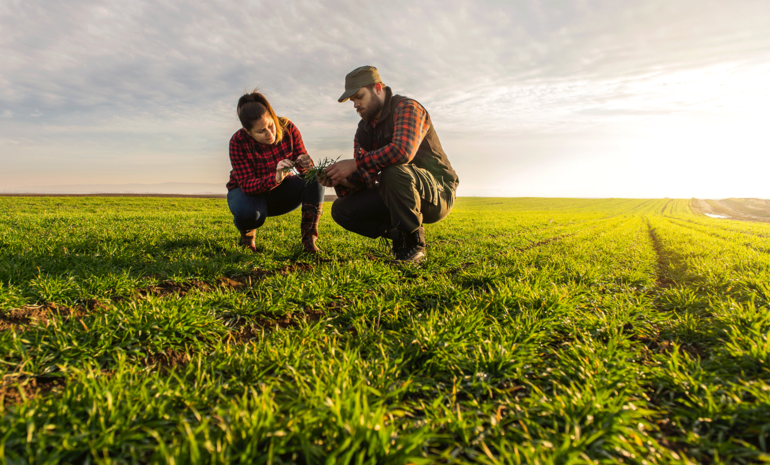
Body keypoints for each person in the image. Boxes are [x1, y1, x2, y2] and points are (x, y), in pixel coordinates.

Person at [320, 66, 459, 263]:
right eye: (353, 101)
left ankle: (412, 247)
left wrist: (355, 164)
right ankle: (399, 234)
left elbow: (402, 151)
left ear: (377, 88)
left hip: (437, 193)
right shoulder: (363, 129)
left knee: (393, 170)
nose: (355, 105)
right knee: (341, 209)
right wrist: (341, 180)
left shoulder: (407, 108)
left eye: (359, 97)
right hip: (395, 192)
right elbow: (363, 178)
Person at [226, 91, 324, 254]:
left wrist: (305, 162)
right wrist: (276, 177)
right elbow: (247, 185)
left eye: (270, 125)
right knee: (250, 213)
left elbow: (304, 169)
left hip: (280, 192)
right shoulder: (237, 142)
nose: (270, 134)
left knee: (314, 179)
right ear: (248, 132)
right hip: (246, 193)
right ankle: (247, 238)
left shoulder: (288, 128)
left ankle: (309, 241)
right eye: (261, 131)